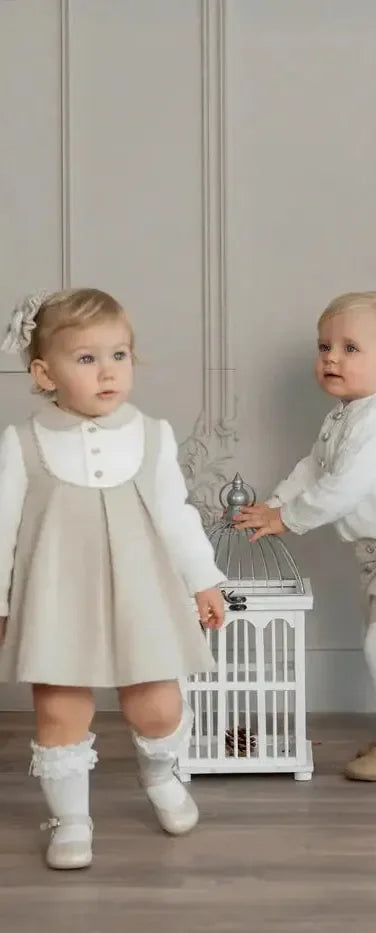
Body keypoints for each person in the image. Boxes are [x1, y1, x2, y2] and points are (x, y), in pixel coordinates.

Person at [0, 288, 225, 869]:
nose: (108, 372)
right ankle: (71, 819)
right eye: (86, 359)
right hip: (57, 597)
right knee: (59, 712)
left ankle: (160, 774)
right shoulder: (22, 444)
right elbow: (1, 531)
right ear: (44, 373)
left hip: (142, 594)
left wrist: (203, 579)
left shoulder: (153, 436)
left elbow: (178, 514)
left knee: (157, 705)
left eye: (119, 355)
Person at [234, 291, 376, 782]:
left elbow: (342, 488)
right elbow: (313, 468)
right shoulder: (345, 417)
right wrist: (275, 505)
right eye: (324, 347)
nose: (331, 357)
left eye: (350, 348)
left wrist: (288, 519)